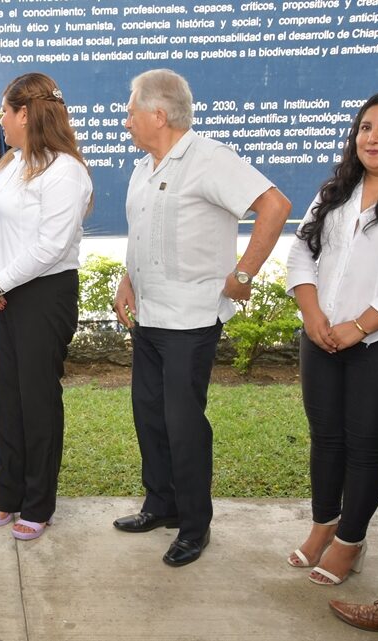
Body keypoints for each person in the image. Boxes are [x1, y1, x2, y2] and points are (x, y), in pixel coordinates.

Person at [111, 70, 291, 566]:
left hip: (190, 320)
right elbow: (141, 235)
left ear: (158, 115)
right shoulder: (143, 166)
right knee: (149, 416)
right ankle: (160, 504)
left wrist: (244, 274)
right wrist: (129, 279)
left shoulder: (210, 158)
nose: (125, 121)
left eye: (130, 111)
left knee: (183, 423)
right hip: (149, 317)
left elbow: (274, 206)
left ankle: (194, 524)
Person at [0, 73, 92, 541]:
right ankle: (10, 493)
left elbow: (50, 247)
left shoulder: (66, 171)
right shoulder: (9, 163)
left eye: (5, 110)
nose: (1, 120)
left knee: (38, 401)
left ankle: (38, 503)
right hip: (3, 291)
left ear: (26, 113)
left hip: (44, 295)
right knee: (10, 398)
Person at [284, 91, 378, 586]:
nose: (373, 136)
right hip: (321, 337)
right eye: (366, 126)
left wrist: (360, 325)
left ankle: (351, 541)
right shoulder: (335, 193)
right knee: (325, 439)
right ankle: (324, 523)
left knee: (365, 445)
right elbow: (300, 255)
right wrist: (313, 317)